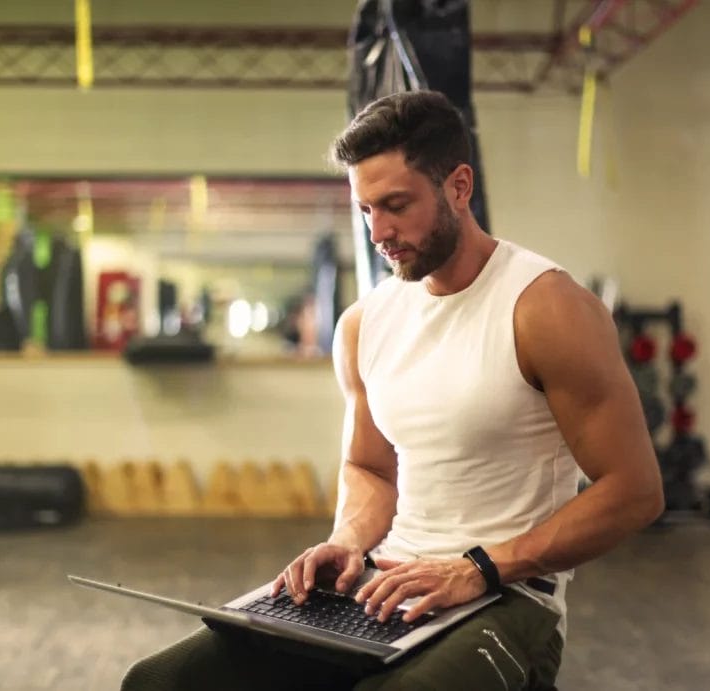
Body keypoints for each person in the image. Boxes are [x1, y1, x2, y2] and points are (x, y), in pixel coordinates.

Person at [122, 90, 664, 690]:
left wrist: (477, 569)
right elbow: (370, 469)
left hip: (507, 597)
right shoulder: (364, 323)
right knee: (159, 682)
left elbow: (635, 492)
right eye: (365, 210)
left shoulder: (546, 308)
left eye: (396, 205)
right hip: (384, 580)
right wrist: (346, 541)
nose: (378, 231)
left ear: (459, 186)